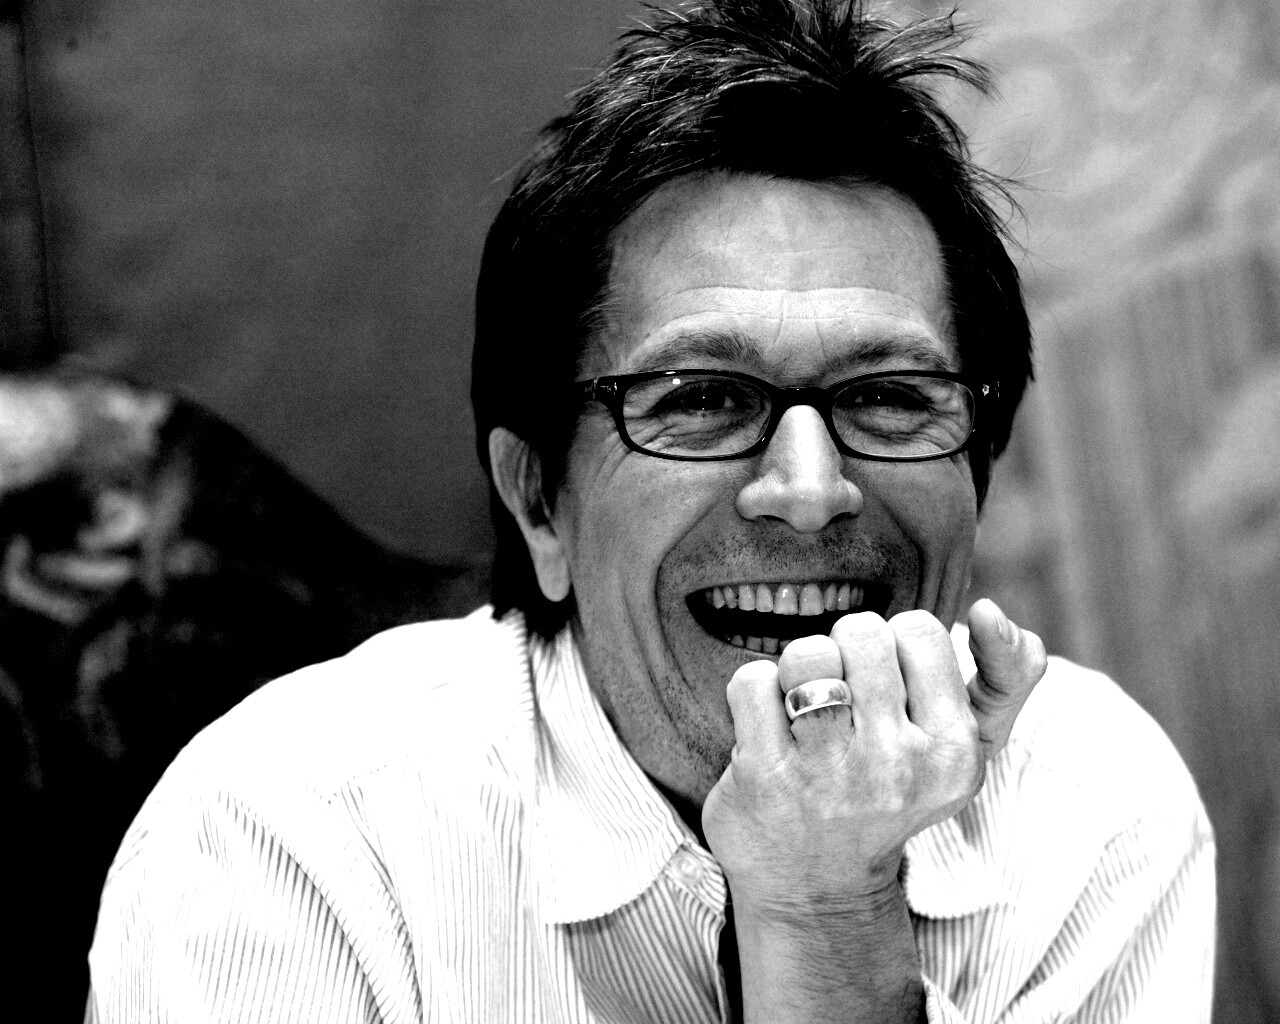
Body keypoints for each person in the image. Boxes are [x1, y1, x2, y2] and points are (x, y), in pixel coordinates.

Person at [86, 1, 1215, 1021]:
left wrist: (831, 911)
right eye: (702, 399)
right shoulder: (287, 838)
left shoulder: (1089, 801)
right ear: (540, 502)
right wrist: (820, 903)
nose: (809, 491)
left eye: (886, 396)